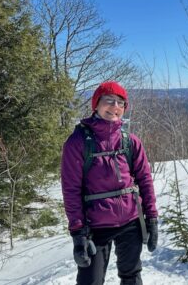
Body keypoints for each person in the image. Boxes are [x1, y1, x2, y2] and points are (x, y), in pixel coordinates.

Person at [61, 81, 158, 285]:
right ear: (96, 104)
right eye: (109, 101)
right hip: (95, 225)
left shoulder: (130, 141)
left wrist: (152, 218)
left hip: (131, 221)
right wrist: (78, 233)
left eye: (120, 103)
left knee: (131, 276)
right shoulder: (78, 142)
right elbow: (71, 190)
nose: (115, 107)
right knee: (90, 281)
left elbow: (145, 180)